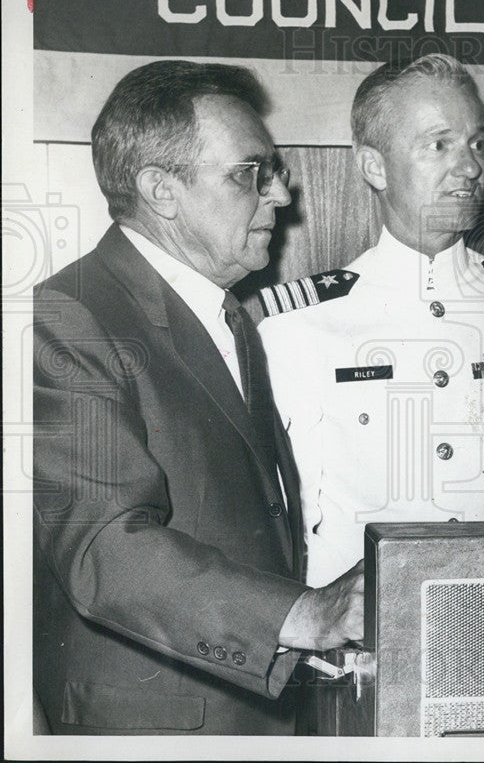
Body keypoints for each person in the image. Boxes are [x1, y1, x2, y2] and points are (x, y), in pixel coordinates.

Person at [32, 60, 364, 735]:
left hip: (243, 709)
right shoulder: (66, 318)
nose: (279, 195)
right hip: (151, 729)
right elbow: (105, 546)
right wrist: (303, 615)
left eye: (273, 172)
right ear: (161, 189)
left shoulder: (224, 311)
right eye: (249, 173)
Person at [258, 53, 484, 591]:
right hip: (356, 646)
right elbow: (289, 522)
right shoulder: (297, 327)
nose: (469, 167)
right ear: (374, 166)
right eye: (438, 145)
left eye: (477, 144)